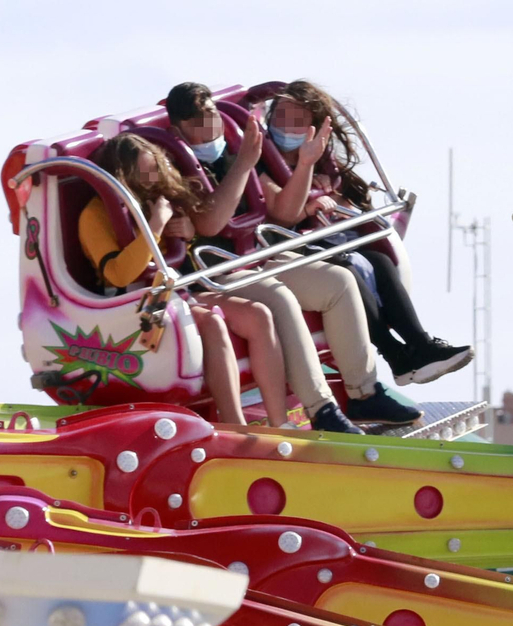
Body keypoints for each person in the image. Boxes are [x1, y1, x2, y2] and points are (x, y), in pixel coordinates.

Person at [163, 83, 418, 429]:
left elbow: (281, 215)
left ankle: (364, 393)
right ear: (178, 129)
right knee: (280, 300)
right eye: (196, 124)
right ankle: (321, 409)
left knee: (339, 281)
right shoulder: (178, 165)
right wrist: (244, 166)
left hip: (257, 256)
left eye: (211, 117)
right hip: (216, 273)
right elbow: (210, 224)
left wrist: (306, 162)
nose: (208, 129)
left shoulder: (235, 146)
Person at [260, 81, 473, 387]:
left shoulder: (323, 162)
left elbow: (347, 202)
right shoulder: (263, 163)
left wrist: (333, 194)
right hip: (286, 247)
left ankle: (421, 344)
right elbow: (281, 214)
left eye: (297, 121)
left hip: (327, 240)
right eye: (281, 117)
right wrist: (309, 196)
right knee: (346, 271)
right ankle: (393, 352)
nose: (287, 127)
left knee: (379, 262)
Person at [79, 133, 287, 428]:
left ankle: (281, 424)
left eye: (155, 168)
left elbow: (179, 255)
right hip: (131, 304)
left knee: (258, 315)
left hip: (176, 293)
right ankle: (235, 424)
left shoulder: (159, 199)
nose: (152, 178)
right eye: (143, 173)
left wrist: (190, 233)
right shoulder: (95, 215)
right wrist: (157, 225)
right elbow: (120, 273)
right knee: (212, 322)